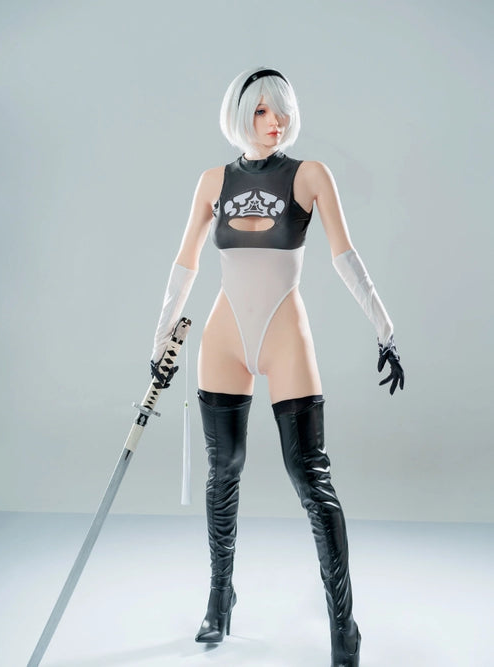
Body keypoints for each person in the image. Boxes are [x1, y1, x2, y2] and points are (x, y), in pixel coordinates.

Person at [150, 66, 404, 667]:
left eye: (282, 109)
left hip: (284, 332)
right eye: (262, 110)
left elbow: (345, 255)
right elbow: (185, 264)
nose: (276, 121)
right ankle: (220, 597)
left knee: (309, 475)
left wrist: (384, 328)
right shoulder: (213, 181)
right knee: (223, 470)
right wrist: (160, 340)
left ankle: (343, 620)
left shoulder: (310, 175)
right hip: (224, 336)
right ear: (240, 114)